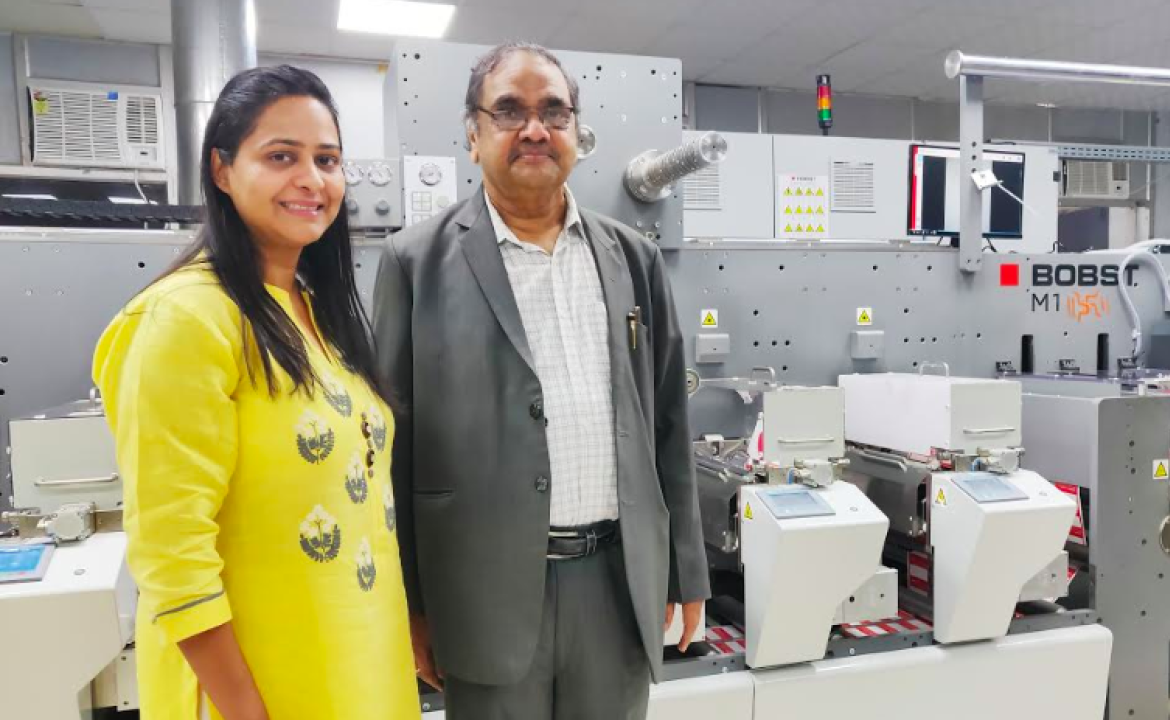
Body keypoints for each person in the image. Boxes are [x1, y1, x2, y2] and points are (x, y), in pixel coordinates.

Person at [372, 42, 710, 719]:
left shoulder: (633, 260)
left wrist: (684, 567)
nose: (534, 129)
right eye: (509, 112)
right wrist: (409, 604)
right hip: (481, 590)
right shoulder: (414, 263)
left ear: (576, 135)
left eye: (553, 112)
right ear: (474, 136)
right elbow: (392, 448)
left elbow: (668, 422)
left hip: (615, 584)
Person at [92, 65, 420, 720]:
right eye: (280, 156)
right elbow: (171, 554)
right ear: (221, 169)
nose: (312, 180)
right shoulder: (186, 317)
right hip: (257, 690)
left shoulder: (314, 312)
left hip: (358, 672)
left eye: (327, 159)